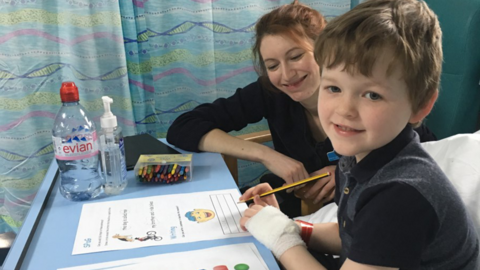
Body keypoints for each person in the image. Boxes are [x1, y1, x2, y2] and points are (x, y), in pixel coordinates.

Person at [239, 0, 479, 269]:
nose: (344, 110)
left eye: (372, 95)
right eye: (333, 88)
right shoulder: (358, 157)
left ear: (421, 106)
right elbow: (353, 238)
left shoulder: (401, 195)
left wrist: (281, 239)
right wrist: (288, 226)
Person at [167, 0, 436, 218]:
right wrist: (266, 155)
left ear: (325, 52)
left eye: (296, 56)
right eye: (272, 65)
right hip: (291, 202)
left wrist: (347, 173)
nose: (286, 75)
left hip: (348, 212)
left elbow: (424, 157)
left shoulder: (366, 106)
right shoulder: (271, 92)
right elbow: (183, 128)